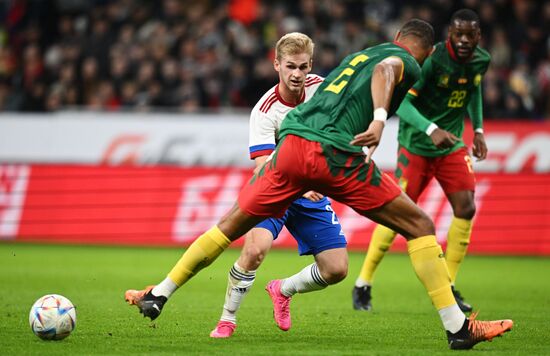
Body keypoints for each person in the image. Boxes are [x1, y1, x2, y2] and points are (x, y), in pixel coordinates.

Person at [125, 19, 512, 350]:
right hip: (331, 156)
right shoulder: (407, 61)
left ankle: (160, 293)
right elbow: (386, 73)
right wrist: (379, 119)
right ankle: (458, 329)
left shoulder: (358, 56)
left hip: (292, 148)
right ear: (426, 52)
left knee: (230, 225)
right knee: (420, 226)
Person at [209, 32, 348, 339]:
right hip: (273, 188)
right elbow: (263, 165)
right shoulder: (264, 110)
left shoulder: (324, 91)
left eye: (302, 66)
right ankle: (227, 319)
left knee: (337, 269)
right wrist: (302, 183)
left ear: (310, 64)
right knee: (255, 249)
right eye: (290, 67)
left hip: (310, 190)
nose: (297, 74)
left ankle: (282, 290)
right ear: (276, 65)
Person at [352, 9, 490, 314]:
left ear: (478, 36)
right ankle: (363, 283)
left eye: (471, 35)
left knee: (466, 207)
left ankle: (449, 286)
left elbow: (474, 88)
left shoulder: (481, 60)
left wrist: (478, 129)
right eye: (459, 34)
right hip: (416, 145)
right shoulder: (430, 61)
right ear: (449, 35)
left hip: (450, 145)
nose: (465, 40)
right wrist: (431, 129)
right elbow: (404, 104)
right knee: (398, 212)